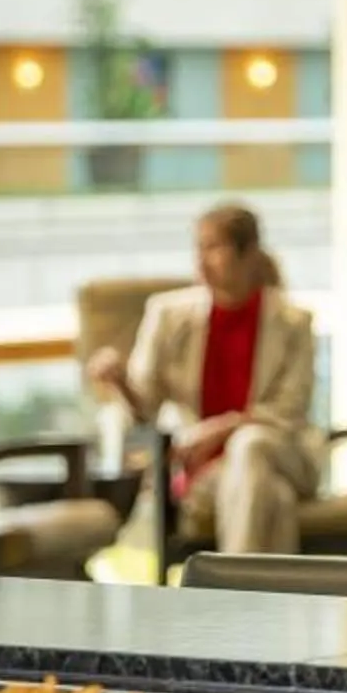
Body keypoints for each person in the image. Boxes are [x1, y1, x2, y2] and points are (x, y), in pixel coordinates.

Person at [85, 204, 319, 555]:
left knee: (250, 442)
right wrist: (120, 381)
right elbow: (145, 409)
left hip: (282, 455)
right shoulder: (168, 316)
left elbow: (290, 410)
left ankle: (232, 591)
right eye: (198, 248)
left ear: (249, 253)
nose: (201, 260)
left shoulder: (293, 322)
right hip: (207, 471)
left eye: (214, 247)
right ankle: (264, 605)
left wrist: (226, 427)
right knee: (275, 499)